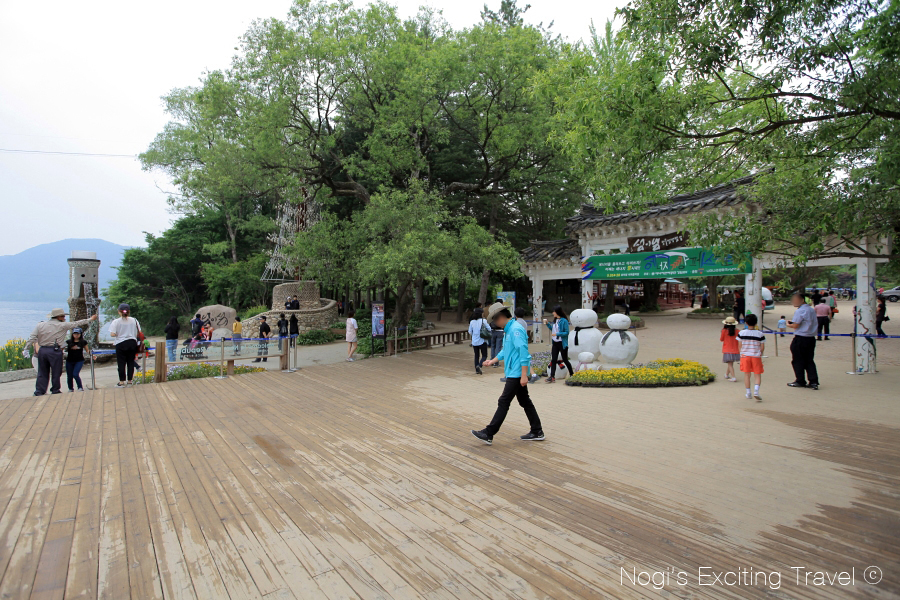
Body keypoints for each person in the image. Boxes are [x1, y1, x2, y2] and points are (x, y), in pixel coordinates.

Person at [471, 303, 545, 445]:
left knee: (504, 401)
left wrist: (524, 375)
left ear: (501, 317)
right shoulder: (509, 329)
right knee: (525, 401)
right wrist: (492, 361)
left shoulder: (515, 329)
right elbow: (506, 351)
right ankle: (537, 430)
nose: (495, 323)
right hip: (513, 371)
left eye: (495, 320)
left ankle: (489, 433)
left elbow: (524, 353)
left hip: (516, 373)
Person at [27, 308, 98, 396]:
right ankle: (55, 389)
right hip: (55, 350)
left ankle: (39, 391)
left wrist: (26, 349)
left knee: (42, 371)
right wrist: (90, 319)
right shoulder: (63, 325)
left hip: (43, 350)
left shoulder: (40, 325)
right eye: (63, 316)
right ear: (59, 317)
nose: (64, 318)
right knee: (56, 371)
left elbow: (32, 337)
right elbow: (77, 323)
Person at [787, 292, 819, 390]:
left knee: (797, 360)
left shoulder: (800, 311)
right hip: (810, 338)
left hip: (801, 338)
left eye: (795, 299)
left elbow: (795, 325)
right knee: (809, 360)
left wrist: (788, 324)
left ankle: (800, 380)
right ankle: (813, 381)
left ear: (802, 300)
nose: (793, 301)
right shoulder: (811, 310)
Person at [109, 303, 142, 387]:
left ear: (119, 312)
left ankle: (121, 381)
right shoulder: (134, 320)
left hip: (121, 343)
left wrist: (120, 333)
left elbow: (112, 334)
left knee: (121, 363)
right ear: (128, 311)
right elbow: (139, 332)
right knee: (130, 362)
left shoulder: (116, 321)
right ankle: (130, 380)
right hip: (132, 343)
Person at [737, 313, 765, 401]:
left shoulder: (741, 333)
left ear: (746, 322)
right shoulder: (760, 334)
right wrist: (760, 353)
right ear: (756, 323)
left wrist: (741, 353)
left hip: (745, 356)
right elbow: (762, 346)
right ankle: (756, 391)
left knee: (747, 374)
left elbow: (739, 345)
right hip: (756, 356)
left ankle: (748, 392)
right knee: (757, 374)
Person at [543, 305, 574, 383]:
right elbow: (553, 330)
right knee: (553, 359)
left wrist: (557, 334)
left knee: (565, 359)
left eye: (554, 311)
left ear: (557, 312)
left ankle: (572, 374)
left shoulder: (564, 321)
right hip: (555, 343)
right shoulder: (555, 320)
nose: (553, 313)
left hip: (562, 343)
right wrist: (547, 324)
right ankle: (552, 376)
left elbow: (566, 332)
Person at [64, 327, 88, 392]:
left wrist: (92, 355)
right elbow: (62, 348)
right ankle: (70, 388)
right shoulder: (68, 342)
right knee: (69, 376)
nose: (76, 335)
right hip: (69, 360)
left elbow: (87, 350)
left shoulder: (83, 342)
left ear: (80, 334)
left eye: (78, 334)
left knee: (75, 374)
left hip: (79, 360)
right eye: (75, 334)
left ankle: (80, 387)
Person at [468, 307, 490, 374]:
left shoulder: (472, 322)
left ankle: (477, 370)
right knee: (484, 355)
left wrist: (474, 334)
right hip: (482, 340)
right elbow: (489, 329)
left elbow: (470, 331)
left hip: (474, 341)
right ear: (481, 313)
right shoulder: (484, 321)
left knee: (476, 356)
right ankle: (479, 366)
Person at [720, 316, 740, 382]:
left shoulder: (724, 331)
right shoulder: (738, 331)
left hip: (727, 349)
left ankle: (733, 377)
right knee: (730, 363)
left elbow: (721, 339)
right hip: (736, 349)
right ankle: (726, 374)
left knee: (730, 364)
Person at [489, 301, 505, 366]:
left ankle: (492, 360)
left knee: (493, 346)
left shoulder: (492, 313)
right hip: (500, 331)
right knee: (498, 347)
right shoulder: (502, 314)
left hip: (492, 330)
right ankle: (496, 362)